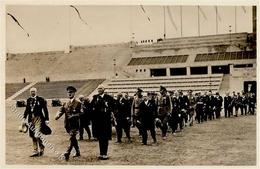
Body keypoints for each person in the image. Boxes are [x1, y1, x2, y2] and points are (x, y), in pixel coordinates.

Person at [55, 86, 81, 161]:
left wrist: (74, 115)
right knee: (73, 139)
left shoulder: (78, 103)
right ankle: (78, 152)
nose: (69, 94)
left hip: (75, 124)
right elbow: (61, 111)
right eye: (68, 92)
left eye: (71, 92)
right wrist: (57, 116)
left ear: (74, 93)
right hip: (67, 125)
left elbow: (81, 113)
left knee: (72, 137)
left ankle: (67, 153)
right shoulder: (65, 103)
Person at [22, 87, 49, 157]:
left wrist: (47, 119)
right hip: (31, 119)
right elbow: (27, 110)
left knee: (37, 135)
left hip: (38, 119)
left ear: (36, 92)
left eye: (34, 91)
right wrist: (24, 118)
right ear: (30, 92)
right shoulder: (28, 100)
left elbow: (45, 109)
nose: (32, 92)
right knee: (32, 135)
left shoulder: (41, 99)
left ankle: (42, 146)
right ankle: (35, 151)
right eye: (31, 91)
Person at [91, 85, 114, 160]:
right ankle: (101, 153)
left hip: (106, 121)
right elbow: (92, 107)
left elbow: (112, 107)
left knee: (105, 138)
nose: (99, 90)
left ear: (104, 89)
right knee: (100, 138)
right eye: (98, 88)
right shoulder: (95, 97)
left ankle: (105, 154)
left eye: (100, 88)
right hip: (98, 121)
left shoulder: (109, 98)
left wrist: (107, 109)